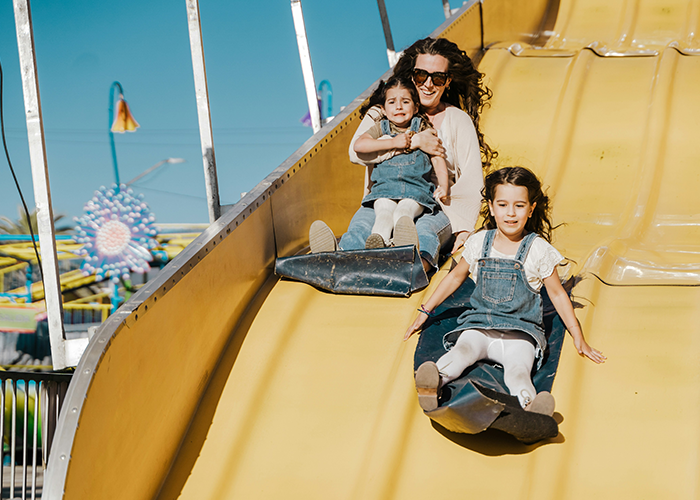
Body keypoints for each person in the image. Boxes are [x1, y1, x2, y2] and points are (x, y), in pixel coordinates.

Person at [404, 167, 606, 415]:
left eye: (519, 206)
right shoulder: (479, 242)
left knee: (518, 371)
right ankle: (434, 383)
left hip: (520, 333)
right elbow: (455, 277)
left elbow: (557, 294)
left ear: (531, 209)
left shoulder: (537, 249)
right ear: (491, 206)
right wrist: (425, 310)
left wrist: (577, 335)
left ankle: (531, 408)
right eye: (502, 204)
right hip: (480, 327)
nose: (511, 213)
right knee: (462, 351)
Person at [309, 37, 495, 272]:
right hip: (383, 196)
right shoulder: (382, 113)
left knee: (424, 232)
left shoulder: (457, 119)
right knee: (361, 228)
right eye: (421, 76)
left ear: (447, 82)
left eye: (437, 78)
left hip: (435, 205)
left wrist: (464, 228)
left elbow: (471, 179)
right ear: (411, 76)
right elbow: (355, 153)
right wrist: (414, 141)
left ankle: (412, 267)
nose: (428, 84)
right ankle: (335, 259)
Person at [352, 75, 449, 248]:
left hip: (416, 192)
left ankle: (401, 246)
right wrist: (392, 142)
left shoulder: (422, 128)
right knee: (383, 214)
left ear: (416, 106)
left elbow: (437, 156)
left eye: (405, 101)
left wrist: (444, 185)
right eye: (392, 102)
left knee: (403, 212)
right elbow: (359, 145)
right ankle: (378, 247)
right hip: (384, 191)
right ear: (383, 108)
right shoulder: (380, 128)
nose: (398, 107)